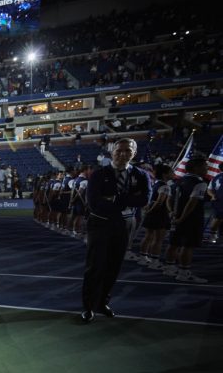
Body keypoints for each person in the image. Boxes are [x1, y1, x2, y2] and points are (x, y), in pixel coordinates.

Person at [81, 138, 150, 323]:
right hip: (100, 224)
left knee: (114, 266)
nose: (122, 154)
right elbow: (94, 203)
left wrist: (114, 199)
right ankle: (88, 306)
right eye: (119, 150)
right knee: (95, 267)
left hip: (125, 225)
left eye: (127, 150)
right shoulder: (98, 174)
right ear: (112, 152)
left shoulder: (141, 175)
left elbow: (144, 200)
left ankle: (102, 303)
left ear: (133, 153)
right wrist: (126, 200)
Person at [162, 157, 209, 283]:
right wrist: (182, 218)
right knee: (187, 246)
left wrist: (171, 212)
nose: (207, 169)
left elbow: (168, 200)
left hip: (175, 217)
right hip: (190, 219)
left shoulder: (176, 182)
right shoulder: (200, 183)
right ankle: (183, 272)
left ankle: (169, 268)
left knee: (174, 243)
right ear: (196, 168)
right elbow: (192, 203)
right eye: (204, 166)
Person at [137, 165, 173, 268]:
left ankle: (143, 258)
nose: (173, 173)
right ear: (165, 174)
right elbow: (160, 202)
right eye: (171, 171)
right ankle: (154, 261)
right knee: (158, 239)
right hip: (159, 214)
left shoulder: (155, 183)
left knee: (148, 236)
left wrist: (148, 210)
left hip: (152, 212)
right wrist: (150, 211)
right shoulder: (165, 186)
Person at [207, 163, 222, 244]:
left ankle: (213, 235)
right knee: (218, 218)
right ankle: (213, 234)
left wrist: (212, 196)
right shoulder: (216, 178)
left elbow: (209, 189)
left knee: (217, 218)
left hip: (217, 201)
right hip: (220, 201)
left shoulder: (215, 178)